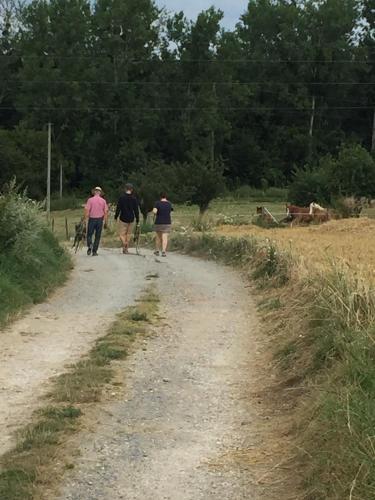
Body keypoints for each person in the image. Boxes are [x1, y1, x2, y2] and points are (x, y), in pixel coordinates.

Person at [114, 183, 140, 254]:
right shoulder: (134, 199)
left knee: (122, 234)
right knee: (128, 234)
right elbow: (136, 210)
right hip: (131, 218)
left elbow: (118, 208)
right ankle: (126, 249)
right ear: (131, 190)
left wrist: (116, 216)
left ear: (125, 189)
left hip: (123, 218)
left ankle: (124, 243)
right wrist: (137, 219)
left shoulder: (121, 198)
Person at [85, 186, 109, 256]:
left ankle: (90, 245)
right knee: (97, 236)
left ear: (94, 192)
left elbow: (87, 210)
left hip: (92, 219)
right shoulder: (103, 201)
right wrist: (106, 221)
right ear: (100, 193)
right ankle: (94, 251)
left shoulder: (90, 200)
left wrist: (85, 219)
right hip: (99, 220)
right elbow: (106, 212)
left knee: (89, 234)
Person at [153, 193, 173, 257]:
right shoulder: (169, 203)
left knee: (158, 237)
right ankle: (164, 251)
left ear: (160, 197)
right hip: (167, 222)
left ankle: (157, 251)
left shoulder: (157, 203)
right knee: (165, 237)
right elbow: (171, 211)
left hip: (159, 222)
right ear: (166, 197)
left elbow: (154, 211)